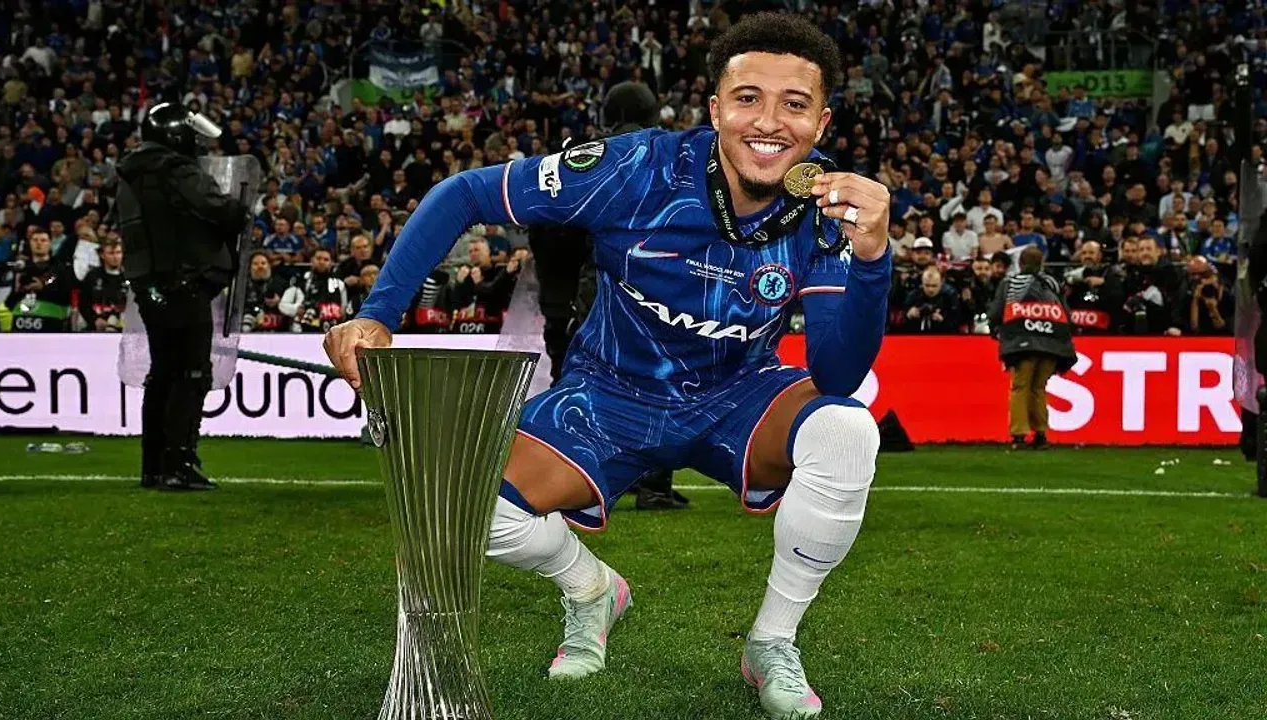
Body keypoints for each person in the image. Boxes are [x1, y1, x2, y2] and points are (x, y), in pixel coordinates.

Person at [325, 14, 892, 720]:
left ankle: (771, 642)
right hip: (608, 395)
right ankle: (590, 588)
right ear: (715, 108)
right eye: (748, 98)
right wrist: (378, 313)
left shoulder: (830, 212)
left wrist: (873, 258)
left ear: (822, 122)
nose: (769, 122)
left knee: (846, 428)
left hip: (740, 395)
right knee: (460, 515)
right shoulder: (635, 168)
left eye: (795, 104)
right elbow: (466, 194)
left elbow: (835, 376)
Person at [528, 79, 690, 511]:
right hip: (645, 287)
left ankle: (575, 479)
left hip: (578, 292)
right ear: (653, 113)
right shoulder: (668, 155)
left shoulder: (581, 156)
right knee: (658, 383)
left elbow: (543, 223)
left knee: (582, 385)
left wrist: (559, 297)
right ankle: (652, 484)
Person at [115, 102, 251, 491]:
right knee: (191, 373)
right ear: (177, 136)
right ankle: (179, 463)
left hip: (149, 286)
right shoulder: (175, 169)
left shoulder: (133, 173)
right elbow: (216, 208)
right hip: (185, 283)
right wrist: (239, 210)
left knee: (162, 374)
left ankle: (153, 466)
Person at [987, 245, 1077, 450]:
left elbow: (996, 312)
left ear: (1020, 263)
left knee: (1020, 387)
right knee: (1038, 388)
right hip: (1052, 343)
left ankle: (1019, 435)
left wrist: (995, 330)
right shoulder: (1053, 284)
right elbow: (1067, 315)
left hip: (1022, 343)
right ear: (1041, 264)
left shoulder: (1010, 283)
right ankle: (1041, 434)